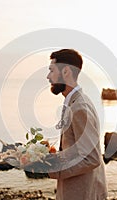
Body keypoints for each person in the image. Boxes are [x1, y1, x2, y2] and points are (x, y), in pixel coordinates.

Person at [46, 49, 107, 200]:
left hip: (81, 193)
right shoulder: (74, 102)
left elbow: (92, 158)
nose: (48, 77)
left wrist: (54, 169)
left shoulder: (79, 108)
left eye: (52, 70)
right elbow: (77, 150)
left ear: (66, 71)